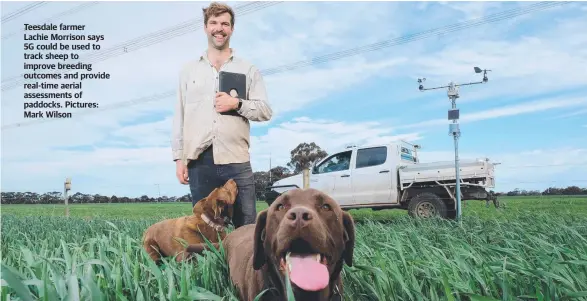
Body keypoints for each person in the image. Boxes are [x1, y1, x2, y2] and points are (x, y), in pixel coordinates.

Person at [171, 2, 272, 228]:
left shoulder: (248, 69)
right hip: (200, 161)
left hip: (236, 159)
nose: (219, 28)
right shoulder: (189, 71)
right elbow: (180, 115)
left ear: (232, 29)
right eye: (214, 23)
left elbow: (265, 110)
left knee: (246, 229)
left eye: (225, 24)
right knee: (205, 231)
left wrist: (236, 103)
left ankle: (243, 265)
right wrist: (179, 157)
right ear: (206, 27)